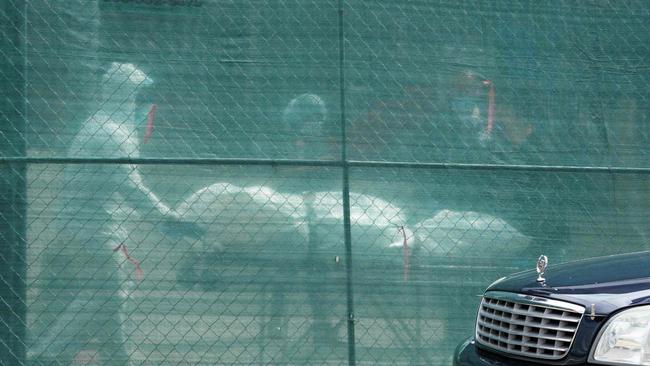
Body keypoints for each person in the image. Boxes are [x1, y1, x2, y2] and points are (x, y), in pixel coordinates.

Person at [31, 62, 200, 365]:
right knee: (105, 296)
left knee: (108, 301)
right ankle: (46, 354)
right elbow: (130, 186)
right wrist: (168, 217)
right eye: (140, 97)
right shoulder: (114, 134)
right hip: (95, 234)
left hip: (76, 228)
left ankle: (119, 359)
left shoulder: (96, 123)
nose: (146, 106)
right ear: (127, 96)